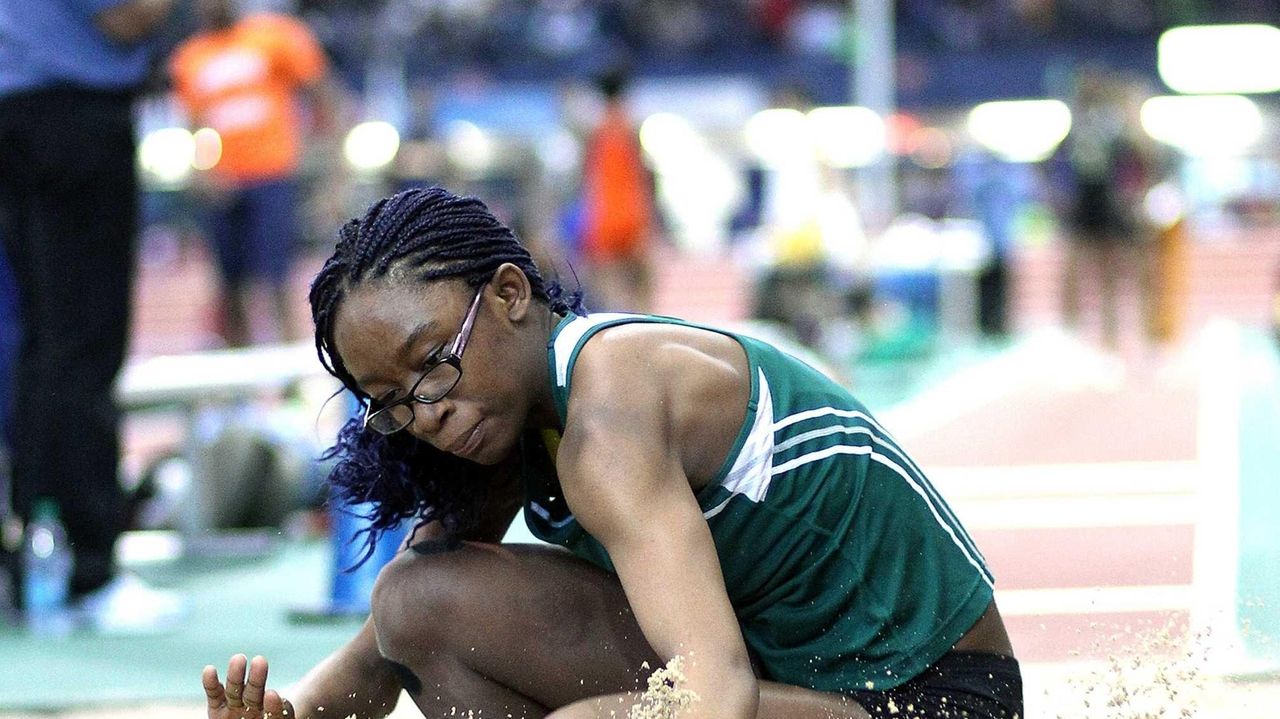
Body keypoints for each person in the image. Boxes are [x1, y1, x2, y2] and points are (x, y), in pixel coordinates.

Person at [202, 186, 1021, 718]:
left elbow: (716, 689)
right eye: (391, 401)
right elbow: (388, 635)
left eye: (432, 362)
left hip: (934, 702)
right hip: (802, 679)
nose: (428, 410)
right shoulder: (505, 411)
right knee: (421, 602)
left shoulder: (611, 412)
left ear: (511, 295)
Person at [0, 0, 186, 631]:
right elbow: (131, 14)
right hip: (70, 118)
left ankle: (34, 557)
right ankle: (89, 569)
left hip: (21, 108)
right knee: (82, 346)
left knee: (40, 346)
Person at [169, 0, 339, 347]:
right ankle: (236, 385)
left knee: (276, 280)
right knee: (228, 288)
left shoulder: (274, 36)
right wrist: (204, 170)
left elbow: (322, 92)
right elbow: (195, 125)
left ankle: (291, 379)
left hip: (271, 175)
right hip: (225, 183)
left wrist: (320, 153)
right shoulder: (190, 57)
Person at [577, 68, 655, 313]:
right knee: (643, 287)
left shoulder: (592, 129)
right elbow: (644, 174)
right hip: (633, 213)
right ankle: (646, 325)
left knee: (612, 291)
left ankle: (620, 327)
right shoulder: (632, 124)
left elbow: (586, 178)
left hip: (604, 217)